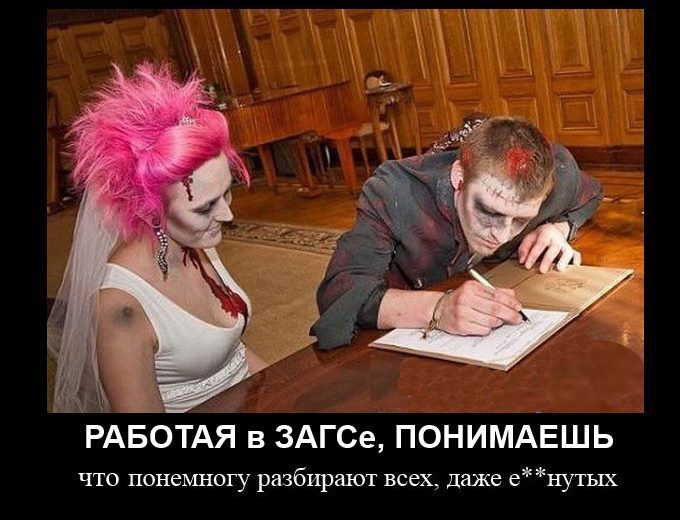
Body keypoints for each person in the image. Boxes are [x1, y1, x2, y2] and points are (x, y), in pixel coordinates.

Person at [47, 62, 266, 413]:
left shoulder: (193, 240)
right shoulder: (120, 307)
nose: (227, 215)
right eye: (204, 207)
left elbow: (233, 355)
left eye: (227, 193)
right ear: (151, 208)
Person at [311, 116, 603, 349]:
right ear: (459, 177)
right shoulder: (395, 191)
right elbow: (339, 296)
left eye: (520, 221)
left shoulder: (556, 175)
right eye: (489, 212)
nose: (502, 235)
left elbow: (592, 193)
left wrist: (558, 227)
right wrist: (439, 308)